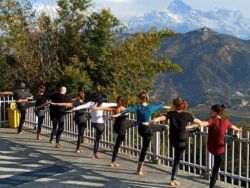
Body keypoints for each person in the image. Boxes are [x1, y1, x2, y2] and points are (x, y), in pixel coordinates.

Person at [112, 91, 170, 175]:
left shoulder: (138, 107)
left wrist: (118, 114)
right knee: (155, 128)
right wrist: (168, 107)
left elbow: (129, 110)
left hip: (141, 130)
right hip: (147, 129)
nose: (136, 99)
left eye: (137, 98)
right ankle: (165, 127)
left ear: (140, 99)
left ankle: (139, 170)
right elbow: (159, 106)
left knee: (144, 149)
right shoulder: (151, 107)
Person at [150, 98, 200, 186]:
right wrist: (201, 124)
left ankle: (173, 179)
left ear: (174, 106)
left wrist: (154, 120)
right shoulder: (187, 115)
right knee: (177, 160)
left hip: (173, 139)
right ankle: (173, 179)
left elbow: (162, 117)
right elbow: (197, 121)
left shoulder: (171, 114)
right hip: (181, 140)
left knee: (176, 158)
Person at [195, 104, 242, 188]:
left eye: (211, 111)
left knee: (216, 167)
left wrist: (198, 123)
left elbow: (204, 123)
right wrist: (238, 129)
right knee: (216, 169)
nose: (210, 112)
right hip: (219, 149)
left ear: (215, 112)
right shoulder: (226, 122)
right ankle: (212, 185)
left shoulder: (212, 120)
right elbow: (233, 127)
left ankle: (213, 178)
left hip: (211, 147)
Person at [93, 96, 136, 167]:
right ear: (123, 102)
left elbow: (104, 108)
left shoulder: (115, 108)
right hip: (121, 128)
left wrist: (96, 108)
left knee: (131, 123)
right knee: (118, 144)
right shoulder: (124, 109)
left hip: (116, 127)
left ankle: (113, 161)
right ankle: (112, 162)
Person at [72, 93, 117, 159]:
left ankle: (110, 117)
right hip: (100, 124)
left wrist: (73, 109)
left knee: (103, 117)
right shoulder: (102, 104)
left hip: (93, 123)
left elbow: (82, 106)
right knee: (97, 139)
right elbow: (113, 104)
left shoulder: (90, 103)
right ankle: (94, 154)